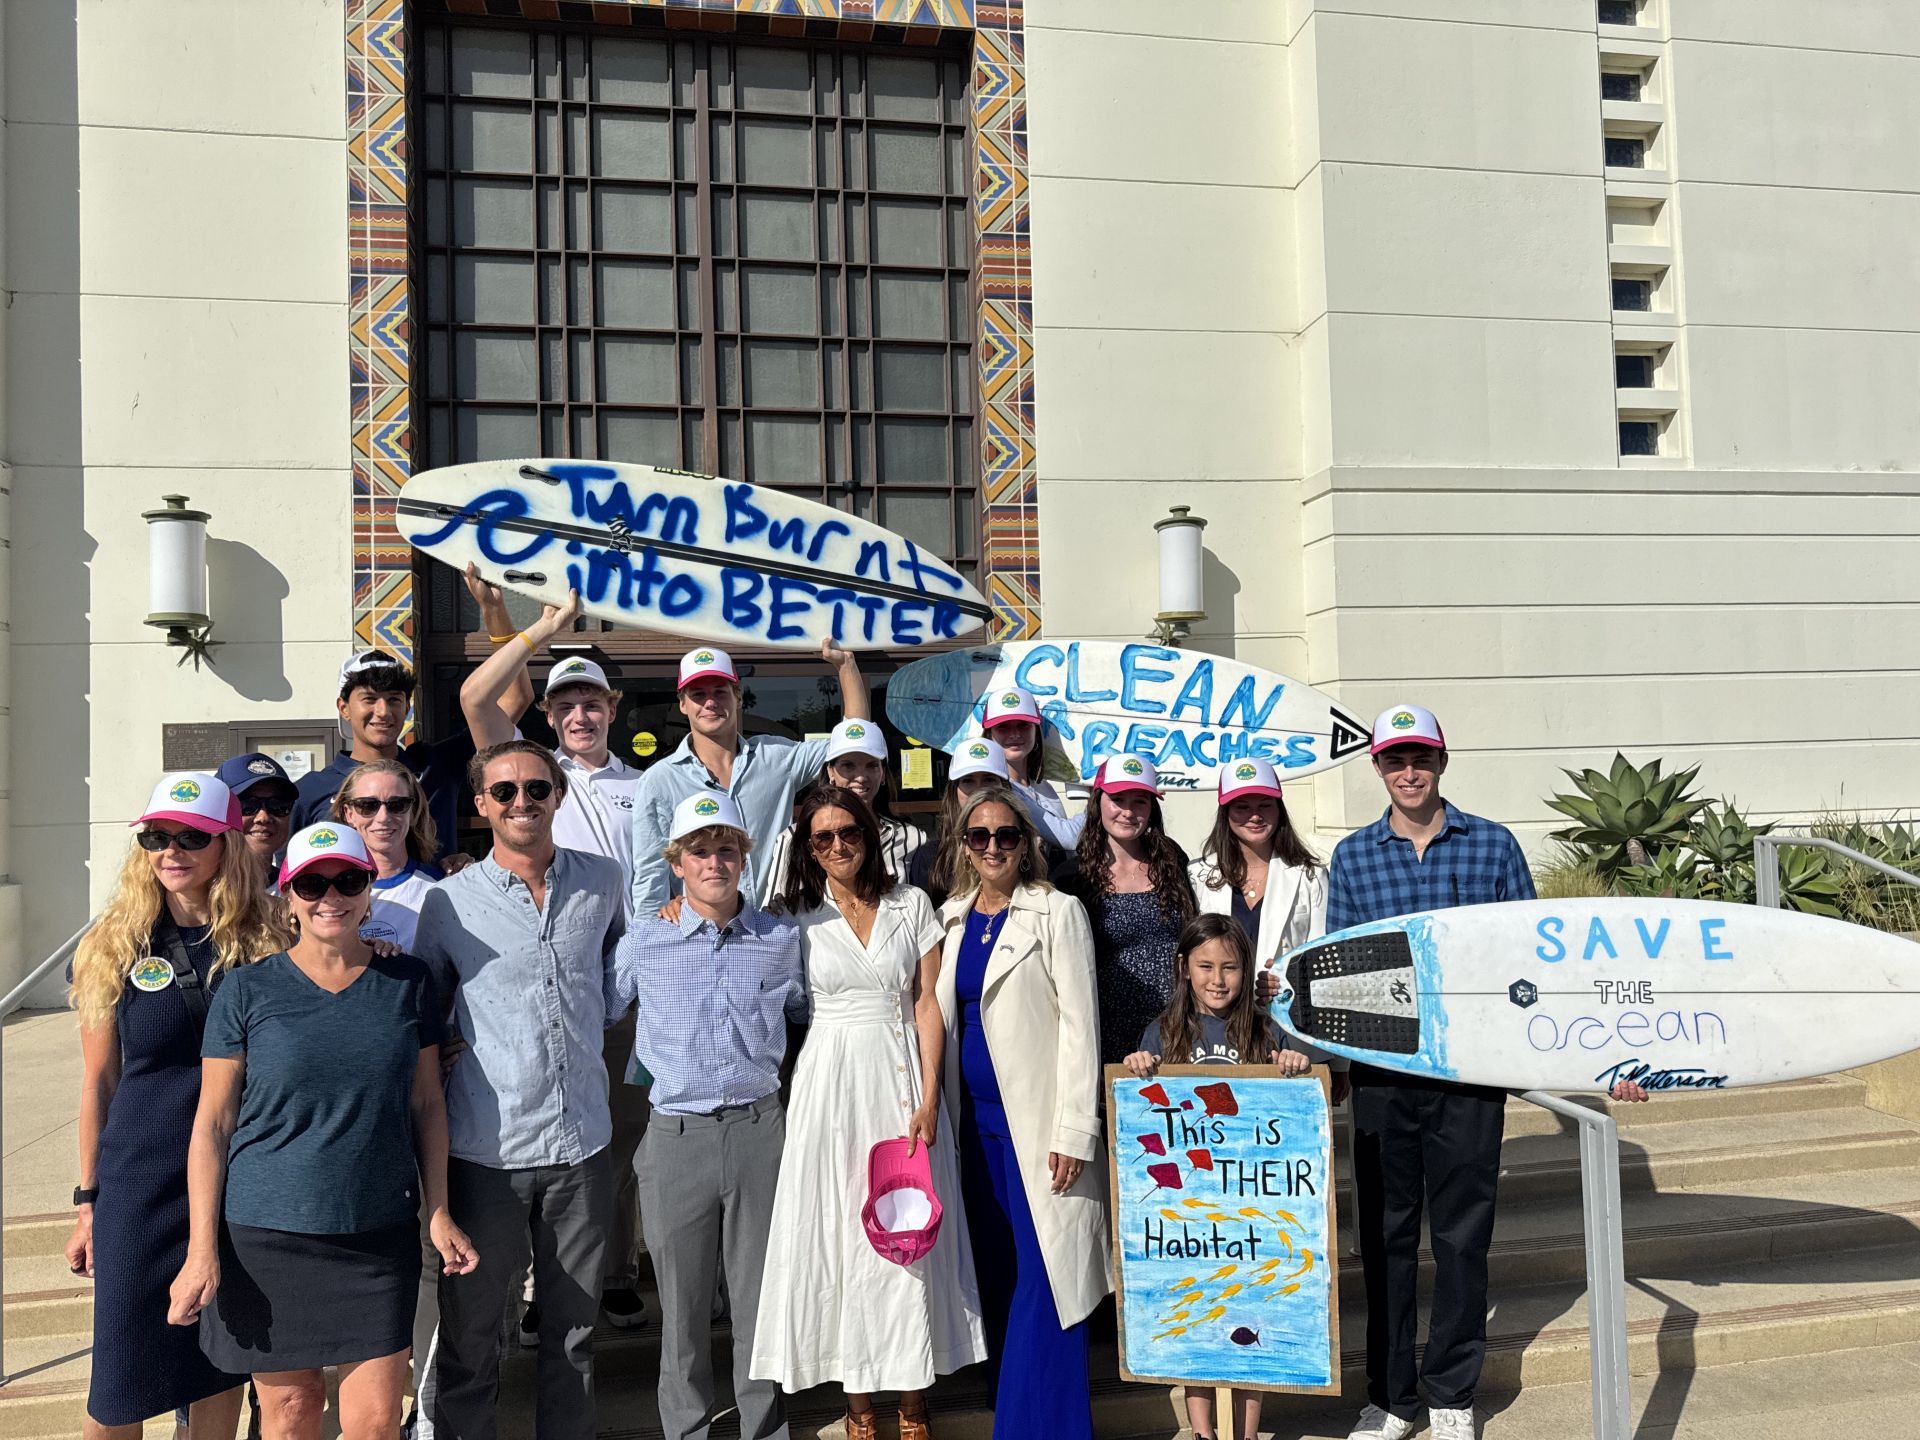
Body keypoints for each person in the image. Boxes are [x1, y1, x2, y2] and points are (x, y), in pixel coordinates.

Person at [1330, 705, 1645, 1440]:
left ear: (1443, 762)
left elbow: (1532, 964)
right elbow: (1338, 966)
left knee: (1464, 1240)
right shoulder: (1353, 857)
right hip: (1384, 1077)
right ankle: (1392, 1397)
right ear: (1377, 768)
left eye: (1422, 759)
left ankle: (1450, 1395)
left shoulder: (1493, 847)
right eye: (1394, 761)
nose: (1409, 773)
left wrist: (1593, 1052)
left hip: (1470, 1079)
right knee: (1386, 1241)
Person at [167, 824, 477, 1438]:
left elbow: (427, 1106)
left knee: (375, 1420)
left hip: (377, 1231)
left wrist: (438, 1212)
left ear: (369, 889)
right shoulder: (245, 989)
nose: (329, 897)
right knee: (290, 1413)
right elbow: (213, 1123)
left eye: (347, 881)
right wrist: (201, 1247)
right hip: (265, 1234)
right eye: (311, 883)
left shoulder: (408, 983)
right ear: (287, 894)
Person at [751, 787, 986, 1440]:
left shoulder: (911, 904)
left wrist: (931, 1095)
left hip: (902, 1080)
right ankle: (859, 1408)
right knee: (841, 1234)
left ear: (868, 833)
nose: (835, 846)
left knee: (905, 1232)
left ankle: (913, 1405)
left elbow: (927, 1004)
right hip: (828, 1086)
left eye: (846, 832)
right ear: (807, 846)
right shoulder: (795, 915)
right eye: (820, 837)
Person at [411, 741, 627, 1440]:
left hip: (582, 1147)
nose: (522, 803)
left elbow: (615, 973)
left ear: (558, 796)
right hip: (487, 1156)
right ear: (481, 806)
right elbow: (426, 1009)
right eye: (504, 792)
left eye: (537, 788)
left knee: (572, 1338)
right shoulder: (448, 903)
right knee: (472, 1338)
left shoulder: (603, 882)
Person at [66, 773, 290, 1440]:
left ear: (227, 842)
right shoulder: (113, 943)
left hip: (237, 1184)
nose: (172, 850)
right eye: (157, 836)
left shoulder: (273, 934)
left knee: (216, 1375)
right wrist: (87, 1202)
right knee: (119, 1389)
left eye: (192, 836)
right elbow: (99, 1083)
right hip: (141, 1186)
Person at [457, 594, 650, 1338]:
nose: (580, 714)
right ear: (549, 712)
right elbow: (477, 695)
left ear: (612, 707)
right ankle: (546, 1285)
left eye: (592, 701)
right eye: (566, 700)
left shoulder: (649, 783)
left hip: (629, 988)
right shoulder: (534, 777)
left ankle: (615, 1273)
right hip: (556, 980)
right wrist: (535, 627)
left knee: (615, 1141)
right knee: (550, 1132)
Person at [606, 792, 806, 1440]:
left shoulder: (780, 938)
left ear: (744, 856)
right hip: (676, 1137)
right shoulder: (646, 938)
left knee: (759, 1307)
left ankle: (764, 1430)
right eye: (699, 850)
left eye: (726, 848)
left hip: (760, 1131)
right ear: (677, 862)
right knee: (683, 1313)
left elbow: (812, 1014)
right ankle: (687, 1431)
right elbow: (598, 1011)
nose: (713, 861)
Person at [937, 787, 1108, 1440]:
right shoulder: (952, 917)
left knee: (1048, 1284)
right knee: (1002, 1274)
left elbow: (1079, 1028)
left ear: (1027, 841)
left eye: (1006, 835)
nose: (993, 848)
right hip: (973, 1131)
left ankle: (1038, 1429)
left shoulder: (1057, 912)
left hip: (1037, 1129)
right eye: (979, 836)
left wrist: (1075, 1129)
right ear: (963, 845)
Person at [1123, 913, 1312, 1440]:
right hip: (1187, 1213)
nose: (1218, 979)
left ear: (1245, 969)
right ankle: (1202, 1430)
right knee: (1198, 1320)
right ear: (1184, 967)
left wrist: (1291, 1064)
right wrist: (1139, 1064)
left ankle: (1248, 1432)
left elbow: (1285, 1095)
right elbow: (1142, 1105)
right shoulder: (1161, 1032)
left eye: (1230, 967)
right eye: (1205, 966)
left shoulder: (1263, 1028)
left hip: (1249, 1210)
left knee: (1251, 1315)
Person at [293, 566, 530, 859]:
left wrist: (493, 610)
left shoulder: (436, 766)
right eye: (369, 699)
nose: (383, 711)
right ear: (344, 708)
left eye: (394, 699)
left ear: (407, 707)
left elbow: (515, 698)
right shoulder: (309, 791)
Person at [630, 640, 869, 916]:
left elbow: (854, 739)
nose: (710, 702)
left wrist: (846, 667)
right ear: (682, 704)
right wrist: (647, 942)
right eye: (698, 694)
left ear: (738, 697)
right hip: (699, 938)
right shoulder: (659, 780)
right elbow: (650, 875)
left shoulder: (777, 758)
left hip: (776, 930)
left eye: (720, 692)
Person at [1052, 755, 1196, 1066]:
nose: (1128, 812)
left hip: (1173, 1022)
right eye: (1117, 800)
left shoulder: (1172, 860)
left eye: (1140, 801)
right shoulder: (1071, 877)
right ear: (1098, 802)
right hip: (1106, 1026)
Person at [756, 718, 925, 904]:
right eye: (848, 765)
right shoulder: (794, 837)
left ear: (883, 773)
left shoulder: (913, 838)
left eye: (871, 765)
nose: (861, 777)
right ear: (830, 771)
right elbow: (775, 913)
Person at [1189, 755, 1327, 965]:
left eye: (1265, 805)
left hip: (1287, 997)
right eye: (1242, 807)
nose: (1255, 816)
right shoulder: (1197, 875)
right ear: (1225, 814)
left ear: (1279, 810)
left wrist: (1285, 979)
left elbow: (1320, 956)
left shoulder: (1312, 876)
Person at [333, 760, 443, 952]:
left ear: (412, 811)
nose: (383, 817)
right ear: (349, 814)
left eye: (397, 804)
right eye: (367, 805)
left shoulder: (442, 887)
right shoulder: (327, 890)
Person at [905, 737, 1014, 903]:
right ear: (954, 791)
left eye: (989, 779)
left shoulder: (1020, 848)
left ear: (1004, 787)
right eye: (968, 780)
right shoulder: (929, 858)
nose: (979, 790)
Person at [979, 686, 1084, 850]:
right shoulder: (998, 789)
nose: (1014, 734)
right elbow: (1069, 838)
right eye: (1003, 726)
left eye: (1023, 725)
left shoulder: (1042, 787)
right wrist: (1100, 801)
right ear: (989, 735)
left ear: (1036, 731)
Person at [216, 753, 299, 877]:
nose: (263, 817)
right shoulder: (194, 891)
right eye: (247, 806)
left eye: (278, 805)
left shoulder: (302, 890)